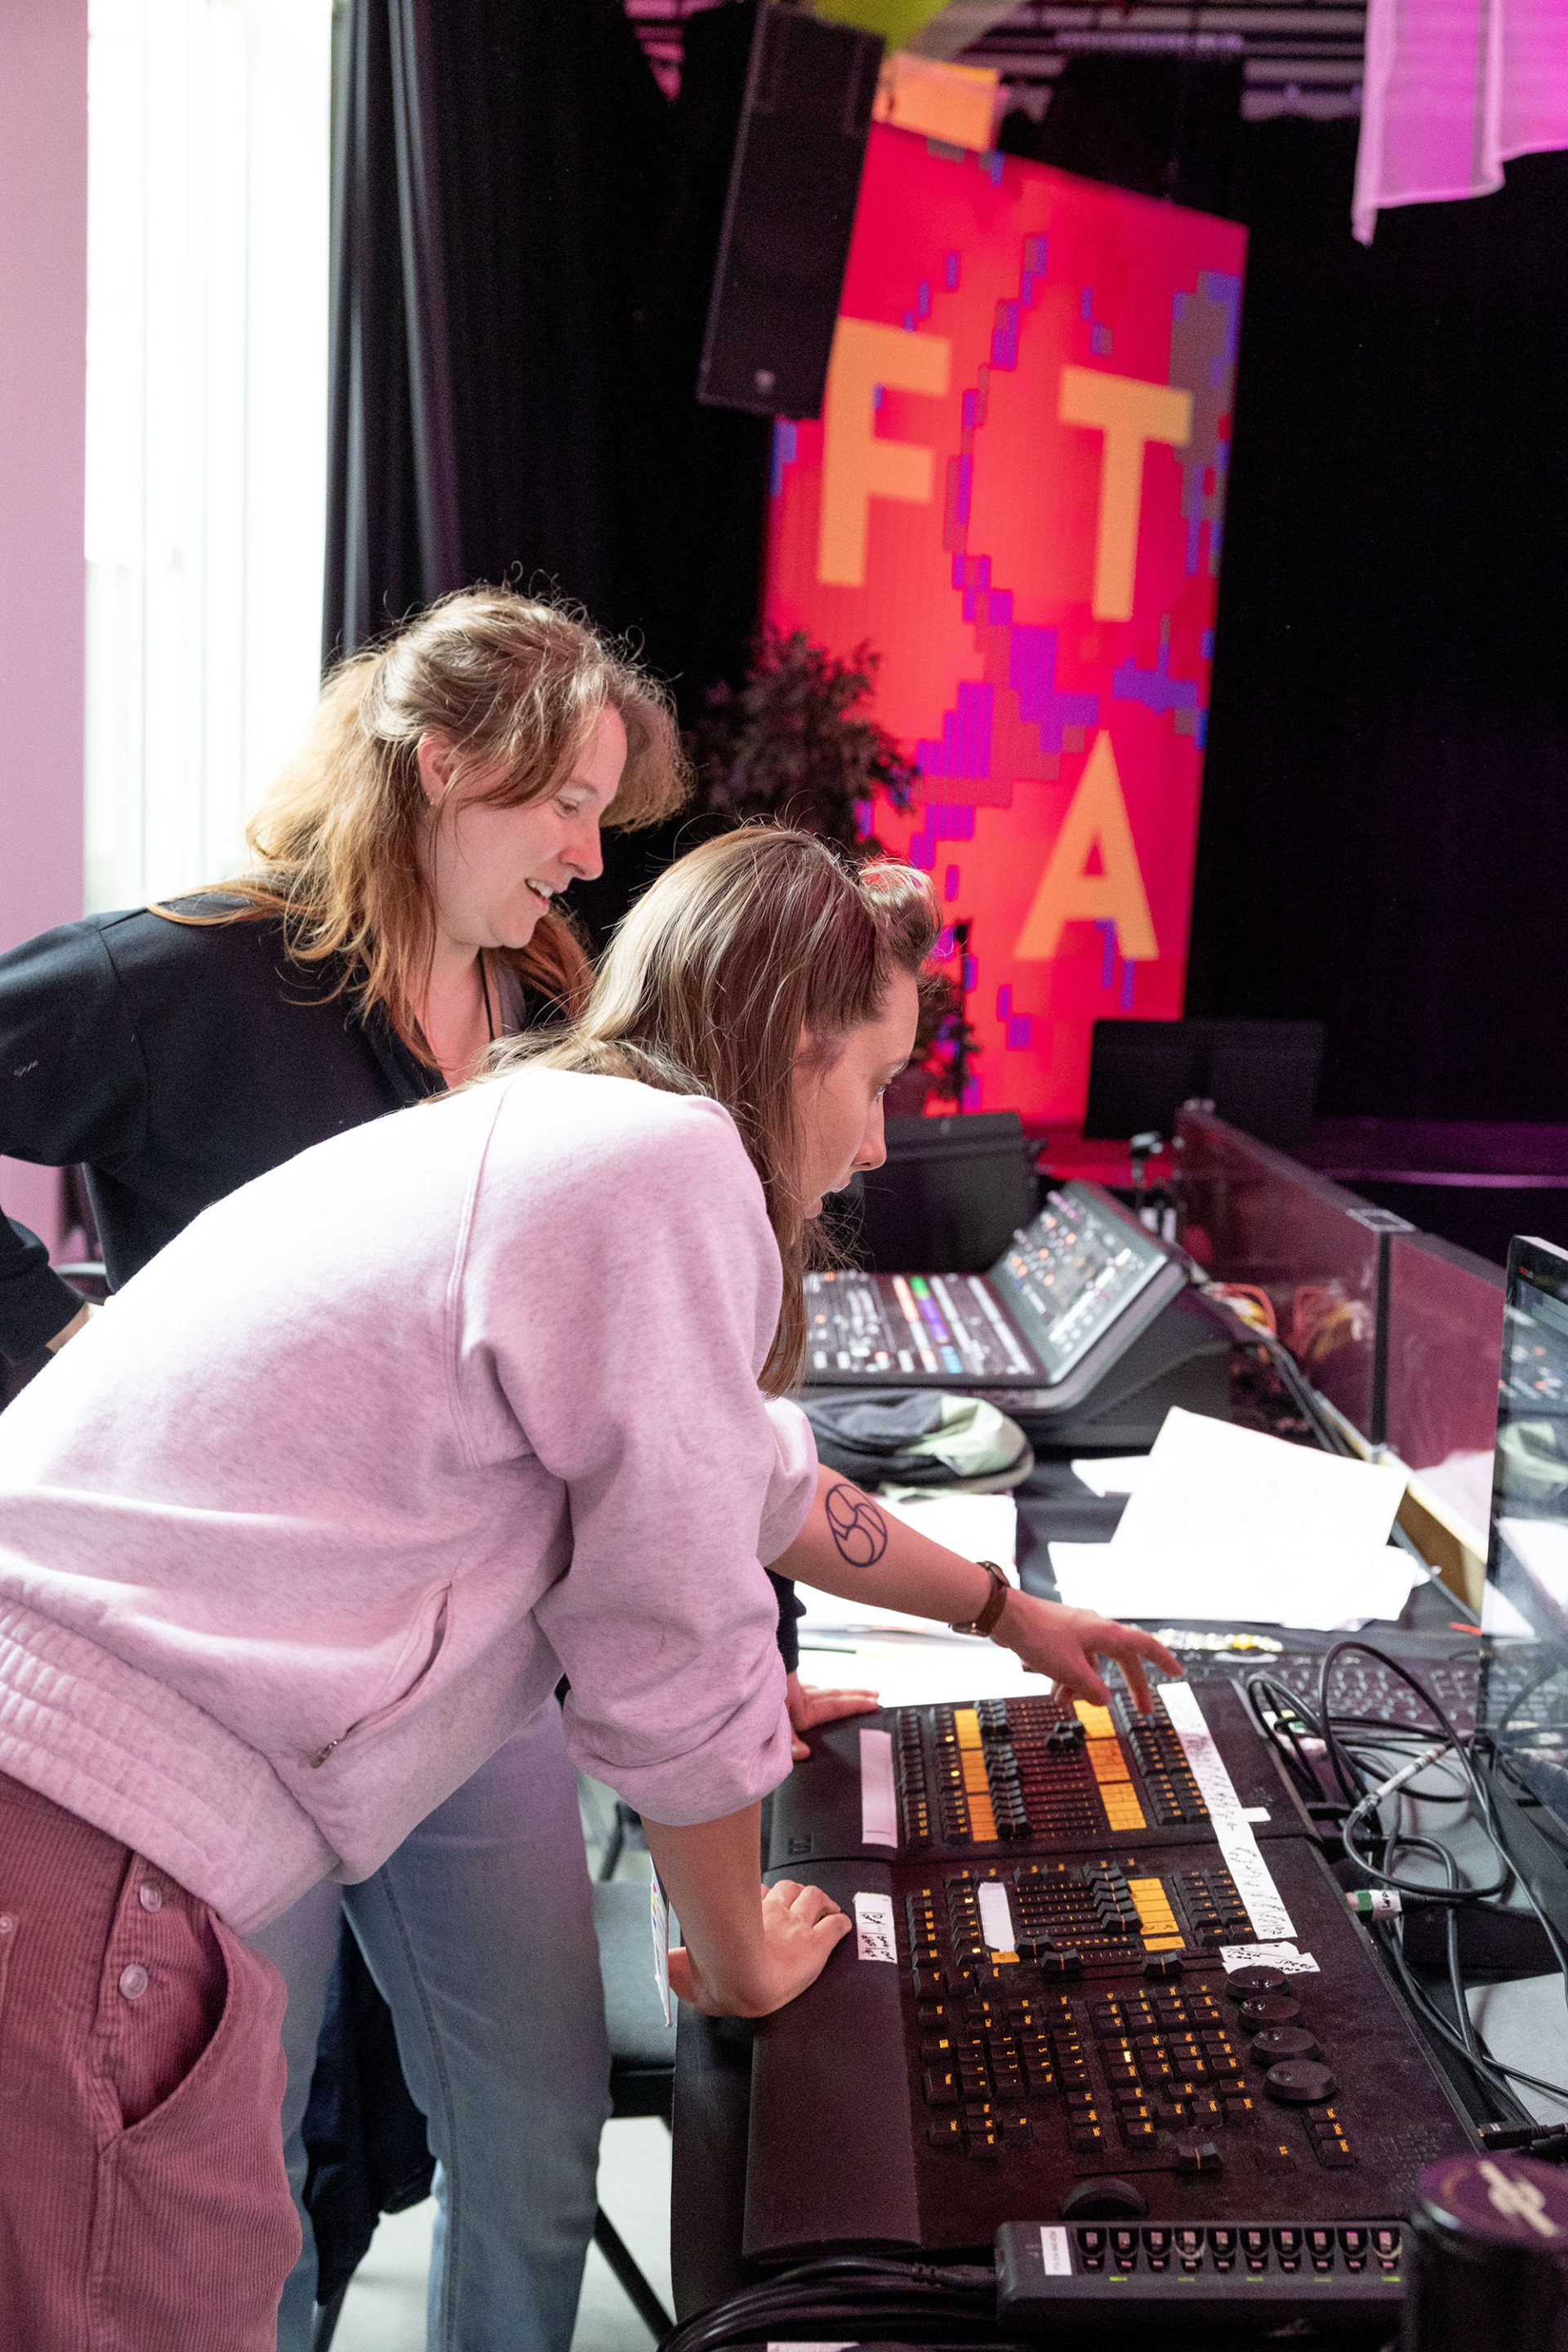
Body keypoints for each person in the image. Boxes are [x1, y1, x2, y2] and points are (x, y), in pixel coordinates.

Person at [0, 825, 1178, 2349]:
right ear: (792, 1044)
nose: (881, 1144)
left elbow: (749, 1480)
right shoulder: (667, 1165)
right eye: (875, 1082)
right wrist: (743, 1949)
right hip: (94, 1843)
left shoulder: (561, 1127)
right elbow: (669, 1633)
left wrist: (1006, 1616)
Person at [0, 588, 694, 2352]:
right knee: (263, 2177)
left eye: (603, 810)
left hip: (471, 1684)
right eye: (560, 802)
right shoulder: (187, 972)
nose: (587, 849)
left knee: (537, 2139)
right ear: (437, 763)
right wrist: (43, 1337)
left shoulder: (550, 1000)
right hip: (241, 1706)